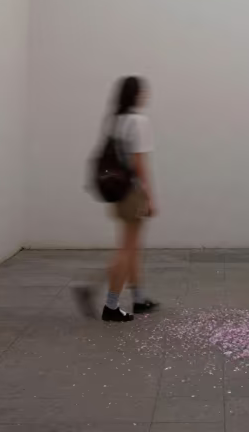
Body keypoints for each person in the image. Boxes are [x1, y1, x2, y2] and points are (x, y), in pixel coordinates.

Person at [74, 75, 159, 322]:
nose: (146, 96)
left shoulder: (115, 121)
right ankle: (107, 302)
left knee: (131, 248)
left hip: (117, 194)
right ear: (136, 95)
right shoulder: (138, 121)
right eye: (143, 92)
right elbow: (140, 164)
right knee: (126, 249)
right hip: (132, 193)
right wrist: (150, 197)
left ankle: (140, 298)